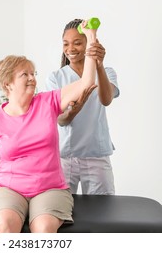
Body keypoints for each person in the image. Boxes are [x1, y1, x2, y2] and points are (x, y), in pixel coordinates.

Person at [0, 20, 99, 233]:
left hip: (51, 189)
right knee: (6, 224)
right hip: (9, 190)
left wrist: (91, 36)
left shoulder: (48, 102)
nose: (33, 79)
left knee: (44, 228)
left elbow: (86, 82)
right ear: (8, 84)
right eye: (25, 75)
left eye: (33, 74)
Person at [45, 19, 120, 195]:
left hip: (96, 154)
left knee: (102, 212)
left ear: (89, 44)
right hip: (65, 157)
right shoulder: (56, 78)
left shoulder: (107, 72)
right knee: (61, 211)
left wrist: (98, 64)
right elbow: (60, 120)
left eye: (78, 43)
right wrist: (73, 111)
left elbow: (106, 99)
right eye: (66, 44)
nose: (70, 49)